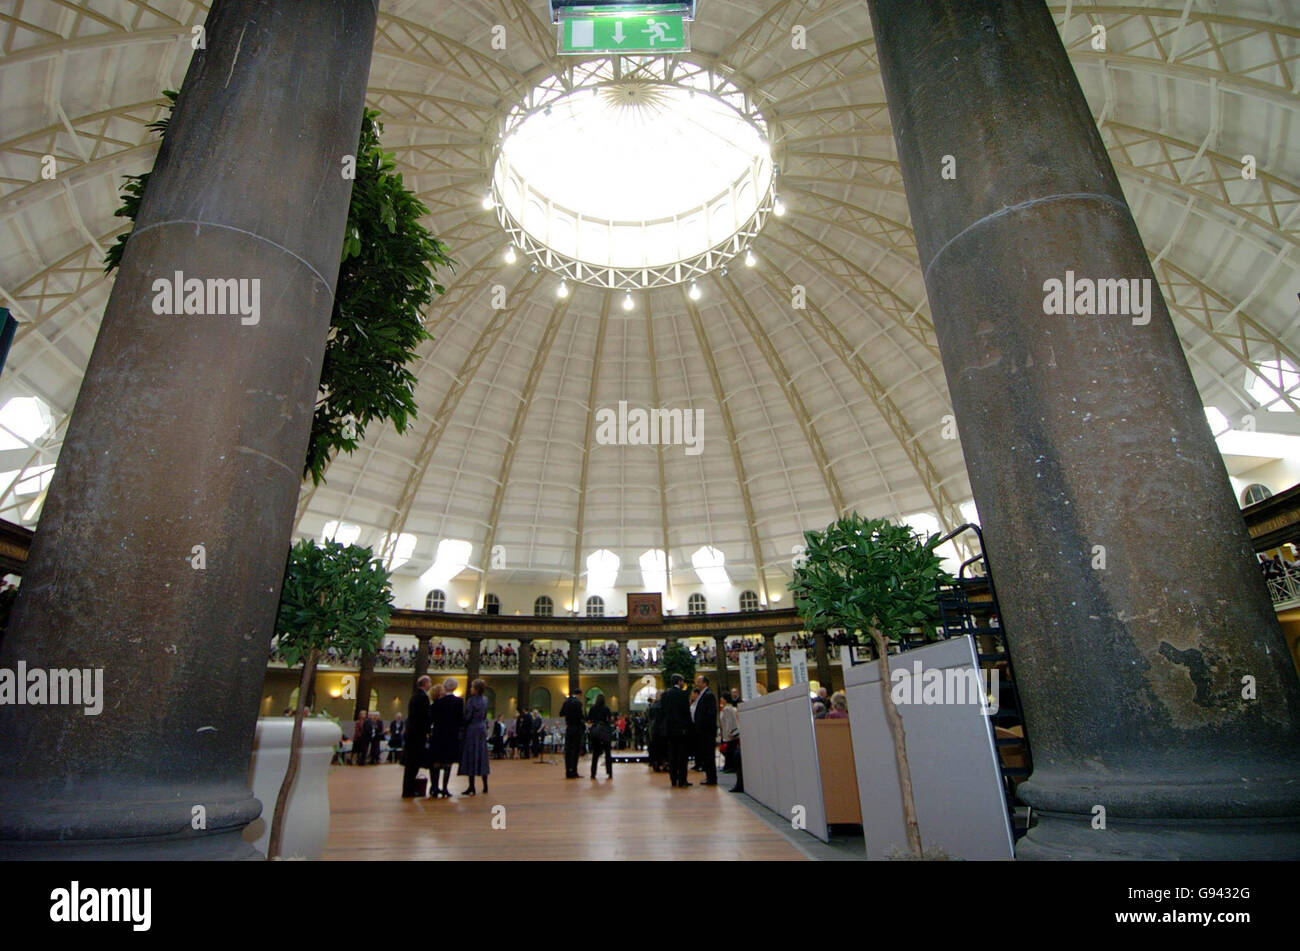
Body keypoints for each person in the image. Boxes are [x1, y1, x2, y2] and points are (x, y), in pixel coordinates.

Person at [429, 678, 464, 797]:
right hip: (451, 736)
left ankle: (434, 787)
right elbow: (460, 720)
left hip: (438, 735)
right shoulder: (459, 702)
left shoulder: (437, 702)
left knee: (436, 763)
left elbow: (431, 718)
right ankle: (445, 788)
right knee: (448, 763)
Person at [661, 674, 694, 788]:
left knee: (672, 755)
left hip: (670, 730)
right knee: (682, 756)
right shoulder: (682, 694)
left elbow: (663, 712)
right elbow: (686, 712)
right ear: (679, 682)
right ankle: (682, 780)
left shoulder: (665, 695)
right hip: (681, 730)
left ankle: (673, 779)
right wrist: (690, 727)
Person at [459, 679, 491, 795]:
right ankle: (485, 785)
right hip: (481, 728)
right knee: (482, 755)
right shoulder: (485, 700)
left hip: (472, 729)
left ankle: (471, 786)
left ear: (476, 689)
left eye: (472, 687)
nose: (470, 689)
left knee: (471, 755)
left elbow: (468, 717)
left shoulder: (471, 701)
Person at [402, 677, 432, 797]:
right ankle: (408, 790)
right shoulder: (422, 697)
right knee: (413, 764)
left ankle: (408, 789)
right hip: (417, 735)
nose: (430, 684)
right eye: (429, 682)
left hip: (412, 734)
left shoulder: (415, 696)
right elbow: (424, 716)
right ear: (425, 684)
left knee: (411, 765)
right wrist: (428, 730)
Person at [692, 674, 718, 786]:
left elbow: (710, 714)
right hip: (702, 731)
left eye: (699, 681)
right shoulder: (703, 695)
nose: (697, 683)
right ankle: (709, 777)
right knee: (706, 755)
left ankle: (711, 778)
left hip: (706, 732)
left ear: (704, 683)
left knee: (709, 755)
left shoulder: (708, 695)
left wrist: (704, 727)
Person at [587, 693, 613, 780]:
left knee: (595, 754)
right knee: (607, 753)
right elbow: (610, 719)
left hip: (595, 732)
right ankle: (609, 772)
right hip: (605, 731)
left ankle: (593, 773)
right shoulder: (606, 708)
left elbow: (589, 719)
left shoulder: (592, 708)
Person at [559, 690, 585, 778]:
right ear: (579, 694)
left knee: (568, 749)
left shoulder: (566, 701)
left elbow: (561, 713)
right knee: (575, 750)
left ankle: (567, 771)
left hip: (569, 727)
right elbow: (580, 716)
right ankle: (574, 771)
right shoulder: (578, 703)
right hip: (576, 728)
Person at [719, 694, 740, 773]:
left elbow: (729, 722)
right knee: (729, 750)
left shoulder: (727, 709)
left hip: (729, 734)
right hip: (727, 733)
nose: (721, 700)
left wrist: (729, 732)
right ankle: (729, 766)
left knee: (730, 750)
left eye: (722, 699)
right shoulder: (727, 708)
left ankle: (730, 766)